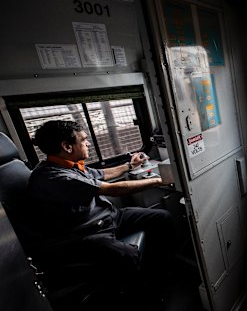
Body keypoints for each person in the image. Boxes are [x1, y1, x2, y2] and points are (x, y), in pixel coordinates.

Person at [26, 120, 175, 309]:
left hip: (108, 217)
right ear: (67, 146)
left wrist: (129, 165)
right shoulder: (53, 177)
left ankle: (160, 273)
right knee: (128, 255)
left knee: (161, 218)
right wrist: (159, 181)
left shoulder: (69, 165)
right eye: (84, 140)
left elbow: (101, 174)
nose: (88, 143)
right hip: (85, 233)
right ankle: (145, 297)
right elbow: (113, 189)